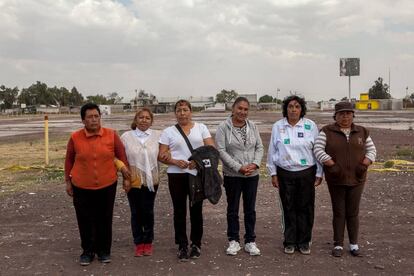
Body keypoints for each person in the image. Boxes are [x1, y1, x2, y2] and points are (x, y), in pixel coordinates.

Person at [64, 103, 130, 266]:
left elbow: (122, 157)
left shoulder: (111, 135)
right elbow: (69, 160)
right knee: (84, 220)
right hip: (81, 186)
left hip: (107, 185)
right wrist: (68, 181)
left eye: (96, 116)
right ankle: (87, 251)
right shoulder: (75, 137)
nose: (94, 120)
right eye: (89, 117)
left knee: (104, 219)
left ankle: (104, 251)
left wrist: (126, 178)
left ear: (100, 117)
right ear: (83, 120)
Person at [313, 101, 376, 257]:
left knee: (353, 212)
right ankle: (338, 245)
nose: (345, 117)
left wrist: (365, 164)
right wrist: (331, 164)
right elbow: (317, 149)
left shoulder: (362, 132)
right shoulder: (327, 131)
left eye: (348, 113)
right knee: (339, 212)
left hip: (358, 178)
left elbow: (372, 150)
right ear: (336, 116)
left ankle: (354, 244)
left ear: (353, 115)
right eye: (341, 114)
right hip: (336, 178)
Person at [158, 99, 215, 262]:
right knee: (179, 211)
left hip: (196, 174)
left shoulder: (201, 128)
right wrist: (175, 161)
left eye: (185, 110)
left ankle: (196, 244)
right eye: (179, 110)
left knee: (196, 210)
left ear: (191, 111)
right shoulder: (168, 131)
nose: (182, 113)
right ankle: (182, 245)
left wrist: (197, 161)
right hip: (176, 175)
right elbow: (161, 155)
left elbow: (211, 150)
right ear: (175, 113)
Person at [266, 95, 323, 255]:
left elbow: (317, 150)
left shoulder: (310, 126)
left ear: (301, 109)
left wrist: (319, 172)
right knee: (288, 207)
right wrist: (273, 173)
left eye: (297, 106)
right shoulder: (278, 126)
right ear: (286, 109)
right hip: (285, 173)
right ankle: (290, 241)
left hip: (306, 172)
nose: (293, 109)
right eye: (290, 106)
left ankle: (304, 241)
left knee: (305, 207)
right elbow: (272, 150)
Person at [215, 97, 264, 256]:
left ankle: (250, 241)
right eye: (239, 108)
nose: (242, 112)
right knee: (233, 209)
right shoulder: (223, 127)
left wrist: (255, 164)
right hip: (233, 175)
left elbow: (259, 147)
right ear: (233, 109)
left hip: (252, 174)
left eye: (245, 109)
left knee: (250, 209)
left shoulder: (253, 126)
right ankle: (233, 240)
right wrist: (238, 167)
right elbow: (221, 151)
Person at [119, 108, 162, 257]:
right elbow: (120, 158)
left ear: (151, 121)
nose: (144, 120)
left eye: (147, 118)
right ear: (135, 119)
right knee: (136, 212)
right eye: (141, 117)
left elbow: (165, 153)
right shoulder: (126, 136)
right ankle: (138, 242)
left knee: (148, 211)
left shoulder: (158, 135)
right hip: (133, 179)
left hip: (152, 180)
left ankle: (148, 242)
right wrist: (125, 178)